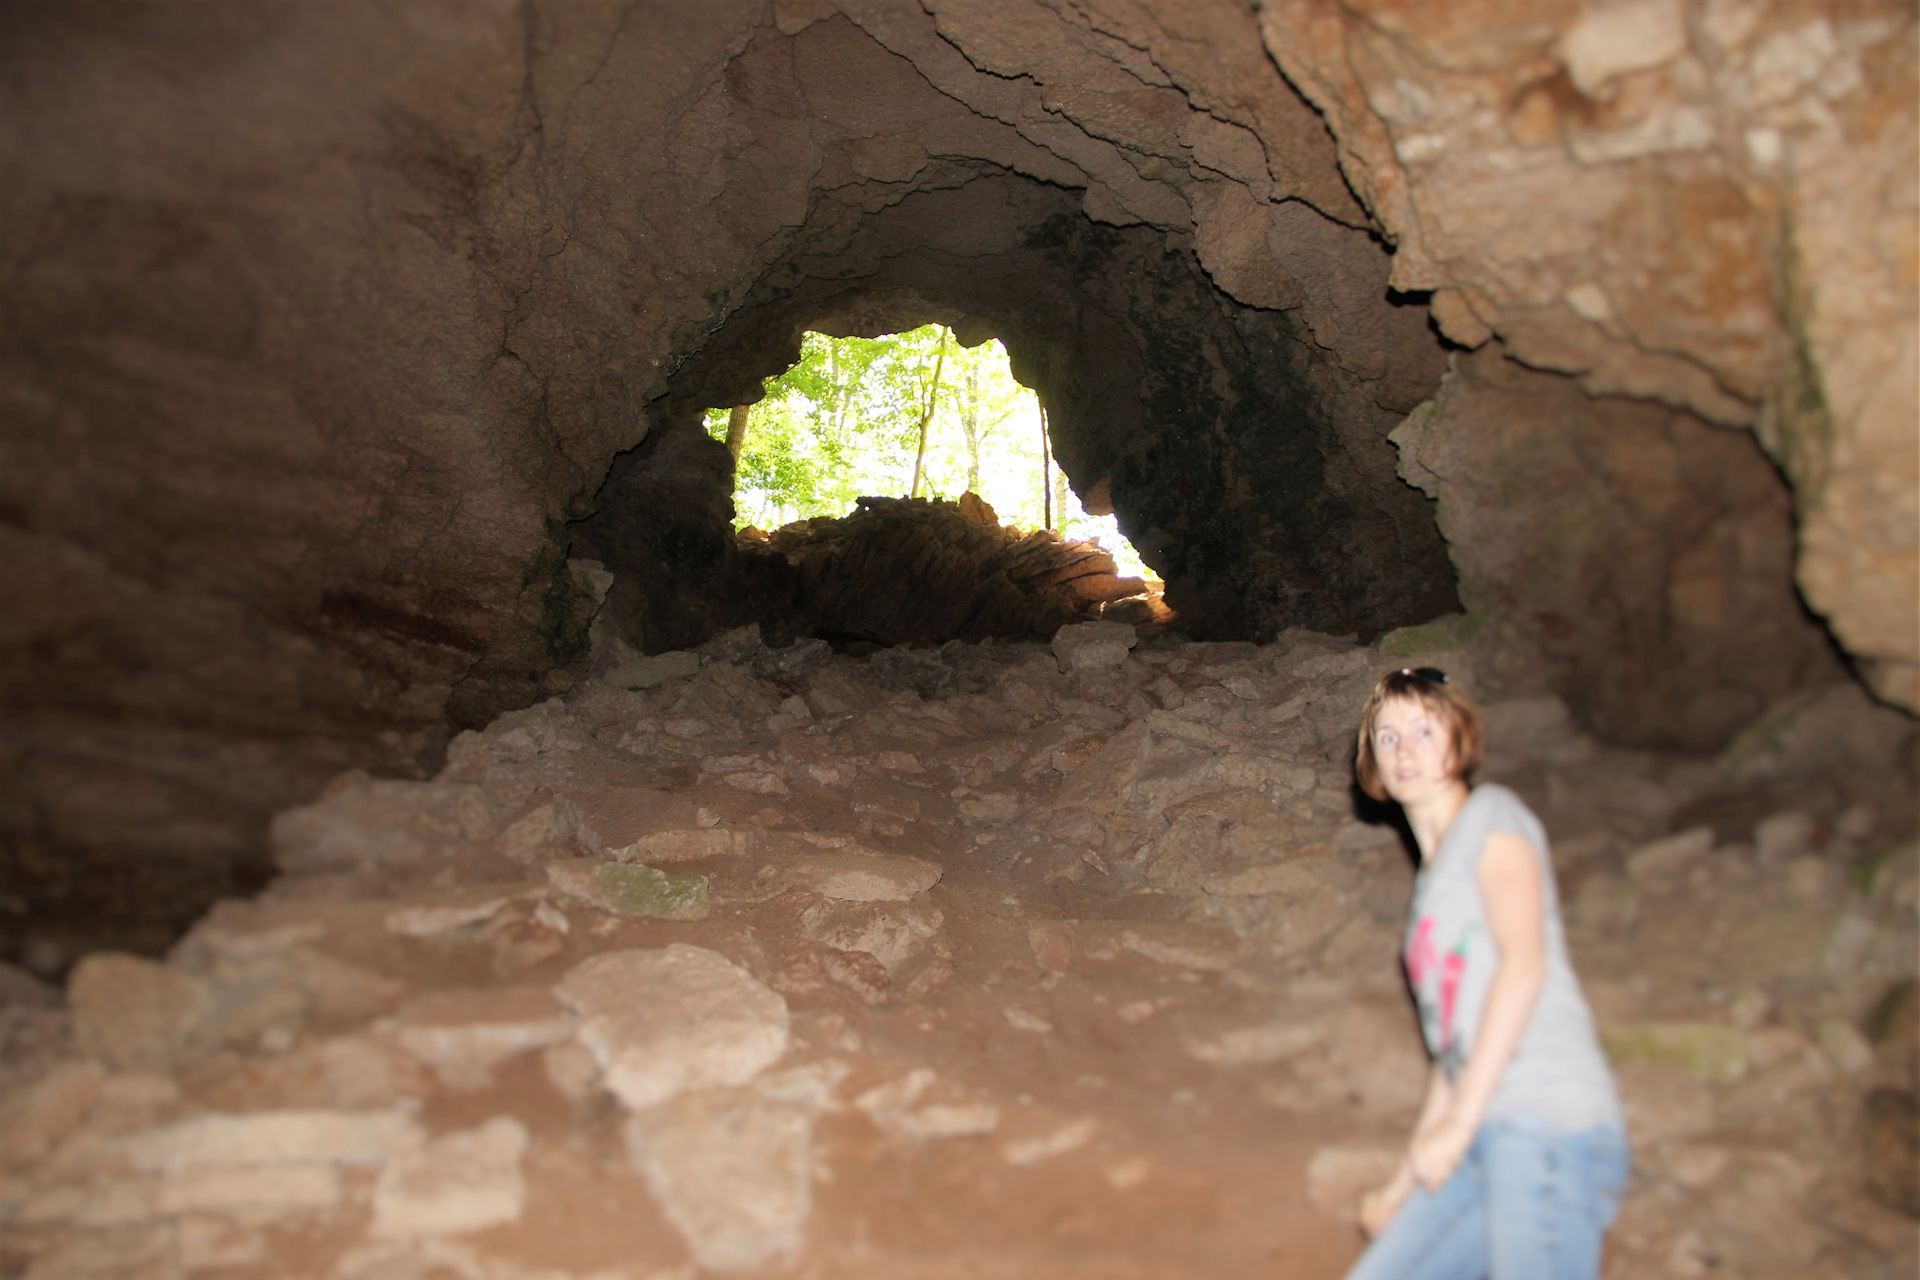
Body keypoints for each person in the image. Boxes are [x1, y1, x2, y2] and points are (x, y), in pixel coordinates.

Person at [1344, 667, 1628, 1280]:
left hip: (1549, 1129)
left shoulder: (1494, 820)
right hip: (1480, 1139)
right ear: (1372, 762)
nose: (1405, 749)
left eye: (1424, 729)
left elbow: (1524, 968)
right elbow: (1455, 1052)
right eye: (1387, 737)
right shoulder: (1429, 889)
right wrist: (1403, 1184)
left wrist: (1461, 1126)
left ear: (1460, 739)